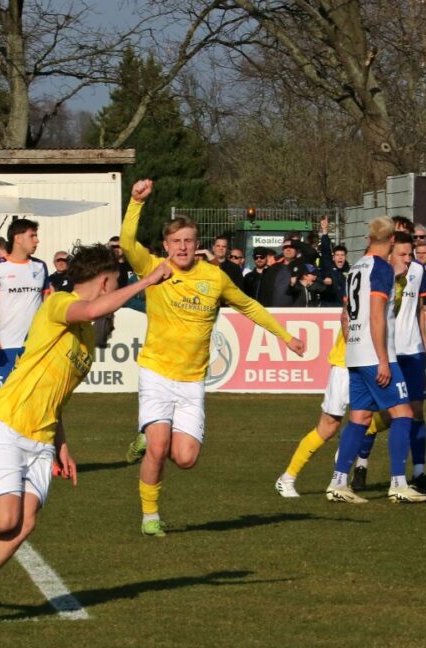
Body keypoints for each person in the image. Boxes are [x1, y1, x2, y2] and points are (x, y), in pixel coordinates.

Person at [0, 243, 173, 629]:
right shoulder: (60, 303)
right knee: (1, 519)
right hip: (8, 423)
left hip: (41, 443)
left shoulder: (87, 343)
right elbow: (92, 309)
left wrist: (62, 445)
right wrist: (148, 280)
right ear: (106, 279)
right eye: (116, 284)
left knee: (21, 527)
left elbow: (57, 396)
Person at [120, 179, 305, 536]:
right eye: (176, 242)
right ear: (165, 246)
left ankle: (148, 437)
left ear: (197, 243)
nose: (183, 247)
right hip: (157, 372)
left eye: (189, 241)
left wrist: (285, 336)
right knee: (158, 448)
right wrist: (135, 202)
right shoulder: (153, 268)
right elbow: (127, 242)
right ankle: (149, 516)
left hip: (192, 381)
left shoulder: (214, 278)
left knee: (186, 458)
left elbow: (249, 305)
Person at [326, 217, 426, 504]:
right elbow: (376, 315)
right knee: (404, 415)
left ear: (371, 239)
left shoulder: (357, 267)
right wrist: (384, 360)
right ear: (392, 241)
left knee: (359, 418)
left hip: (356, 353)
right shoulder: (381, 268)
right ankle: (398, 483)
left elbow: (346, 315)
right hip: (376, 354)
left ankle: (338, 482)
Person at [274, 328, 349, 497]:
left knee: (387, 413)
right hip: (346, 365)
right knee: (329, 426)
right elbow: (347, 316)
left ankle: (347, 458)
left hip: (374, 363)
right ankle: (287, 479)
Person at [0, 220, 49, 386]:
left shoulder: (40, 266)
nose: (37, 240)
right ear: (18, 238)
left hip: (36, 344)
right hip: (8, 344)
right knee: (6, 400)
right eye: (32, 236)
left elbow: (47, 304)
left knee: (37, 397)